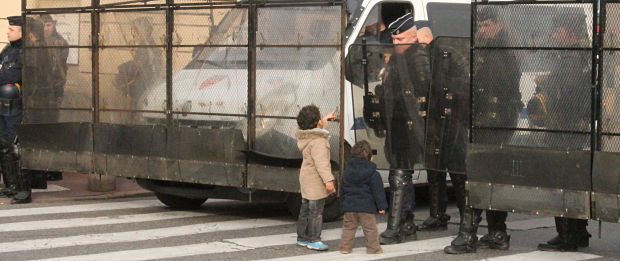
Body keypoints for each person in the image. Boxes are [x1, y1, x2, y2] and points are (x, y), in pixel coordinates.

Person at [444, 8, 521, 254]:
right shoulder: (495, 51)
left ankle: (467, 236)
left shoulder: (496, 54)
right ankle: (497, 232)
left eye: (487, 25)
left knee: (476, 179)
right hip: (493, 122)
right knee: (491, 179)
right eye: (481, 26)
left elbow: (487, 88)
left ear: (498, 25)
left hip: (490, 123)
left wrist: (461, 86)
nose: (482, 30)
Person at [532, 14, 591, 252]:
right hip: (573, 128)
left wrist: (547, 84)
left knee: (561, 182)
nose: (555, 34)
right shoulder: (579, 56)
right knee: (573, 183)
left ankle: (567, 235)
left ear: (571, 33)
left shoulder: (572, 58)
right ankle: (577, 231)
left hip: (564, 128)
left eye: (559, 30)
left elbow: (570, 93)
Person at [378, 13, 431, 245]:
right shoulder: (399, 59)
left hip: (410, 125)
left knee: (400, 175)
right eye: (394, 40)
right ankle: (406, 222)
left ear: (413, 36)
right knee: (399, 175)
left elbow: (424, 91)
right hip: (397, 124)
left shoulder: (418, 57)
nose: (396, 44)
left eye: (401, 40)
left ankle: (397, 225)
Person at [0, 16, 34, 204]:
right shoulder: (8, 49)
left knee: (16, 147)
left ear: (22, 32)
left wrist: (4, 77)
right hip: (4, 105)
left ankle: (23, 190)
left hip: (18, 106)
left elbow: (13, 74)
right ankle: (11, 185)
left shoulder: (26, 51)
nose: (7, 32)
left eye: (11, 30)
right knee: (4, 145)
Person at [294, 105, 337, 251]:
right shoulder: (319, 141)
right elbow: (322, 164)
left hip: (306, 178)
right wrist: (328, 181)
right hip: (316, 181)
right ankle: (314, 239)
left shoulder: (306, 136)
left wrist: (324, 119)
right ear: (316, 122)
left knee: (305, 209)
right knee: (316, 212)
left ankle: (302, 237)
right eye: (319, 117)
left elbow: (316, 129)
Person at [339, 140, 388, 254]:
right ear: (370, 157)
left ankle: (345, 248)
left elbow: (342, 190)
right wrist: (382, 206)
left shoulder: (347, 172)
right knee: (370, 229)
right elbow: (378, 192)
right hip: (366, 207)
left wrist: (342, 205)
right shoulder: (373, 173)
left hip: (350, 206)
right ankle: (373, 248)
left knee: (348, 228)